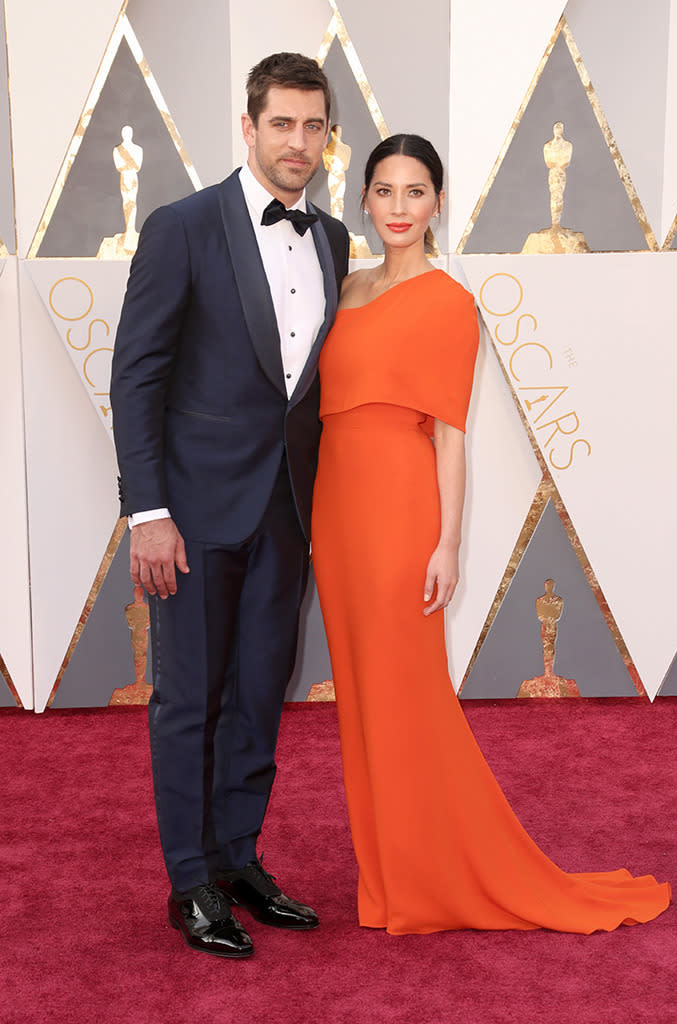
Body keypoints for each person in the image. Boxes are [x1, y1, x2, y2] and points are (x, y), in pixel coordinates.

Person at [311, 134, 670, 935]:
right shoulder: (341, 289)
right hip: (334, 511)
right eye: (383, 191)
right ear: (363, 200)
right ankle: (389, 872)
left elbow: (449, 435)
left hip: (401, 511)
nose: (397, 208)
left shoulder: (446, 300)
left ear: (437, 202)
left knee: (407, 695)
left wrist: (446, 546)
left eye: (413, 192)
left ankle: (430, 876)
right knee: (362, 699)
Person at [110, 52, 349, 958]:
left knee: (258, 696)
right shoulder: (182, 226)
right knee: (187, 703)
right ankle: (188, 882)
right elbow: (137, 376)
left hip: (286, 512)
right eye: (281, 123)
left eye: (313, 125)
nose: (299, 142)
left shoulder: (331, 240)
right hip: (193, 515)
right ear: (247, 129)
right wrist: (147, 512)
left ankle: (238, 857)